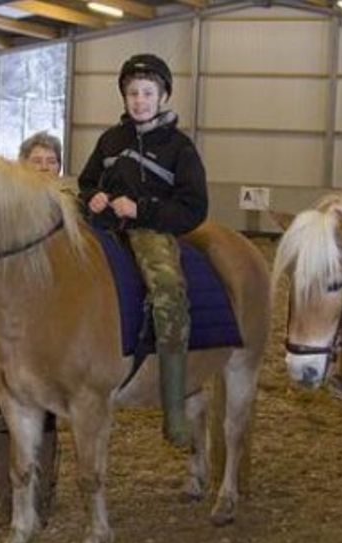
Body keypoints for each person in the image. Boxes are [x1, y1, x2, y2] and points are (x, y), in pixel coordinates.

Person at [77, 53, 209, 447]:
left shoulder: (180, 148)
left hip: (150, 232)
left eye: (147, 92)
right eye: (132, 93)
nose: (139, 100)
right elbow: (86, 182)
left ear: (163, 95)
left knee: (168, 293)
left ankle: (174, 410)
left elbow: (194, 207)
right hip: (102, 228)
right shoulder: (109, 140)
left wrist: (143, 209)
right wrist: (93, 198)